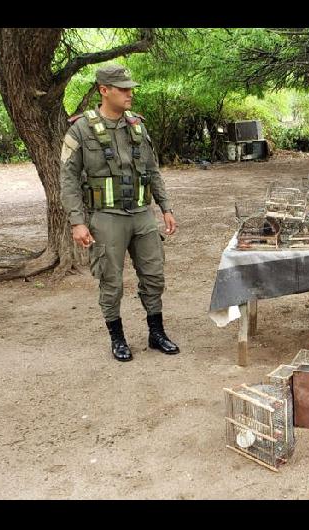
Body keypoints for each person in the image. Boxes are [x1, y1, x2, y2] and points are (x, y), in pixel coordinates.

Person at [60, 64, 180, 362]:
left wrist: (165, 207)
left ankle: (156, 333)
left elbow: (152, 171)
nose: (130, 93)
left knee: (154, 275)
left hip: (141, 214)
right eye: (123, 88)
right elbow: (69, 179)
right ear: (104, 90)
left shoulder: (137, 125)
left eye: (130, 87)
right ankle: (118, 338)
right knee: (110, 281)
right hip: (106, 218)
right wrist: (77, 222)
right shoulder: (81, 128)